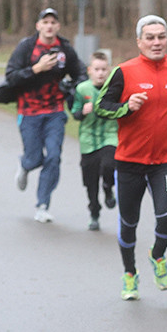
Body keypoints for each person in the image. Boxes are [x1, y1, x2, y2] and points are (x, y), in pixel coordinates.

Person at [95, 15, 167, 301]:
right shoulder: (123, 72)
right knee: (129, 222)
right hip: (129, 162)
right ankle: (130, 274)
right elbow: (102, 107)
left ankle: (157, 255)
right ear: (139, 41)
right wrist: (126, 107)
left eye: (161, 36)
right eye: (150, 37)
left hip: (165, 159)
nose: (156, 42)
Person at [5, 7, 86, 223]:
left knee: (54, 157)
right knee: (35, 157)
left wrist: (71, 85)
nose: (49, 26)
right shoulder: (27, 47)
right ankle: (26, 164)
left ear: (58, 26)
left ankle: (42, 204)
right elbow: (11, 76)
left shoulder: (65, 49)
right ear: (38, 25)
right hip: (28, 111)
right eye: (45, 22)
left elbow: (81, 74)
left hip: (55, 112)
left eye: (53, 22)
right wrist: (36, 69)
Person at [70, 51, 117, 231]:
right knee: (90, 183)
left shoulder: (115, 88)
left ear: (109, 70)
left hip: (110, 136)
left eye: (104, 69)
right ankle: (94, 212)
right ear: (90, 70)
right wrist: (82, 111)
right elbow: (74, 113)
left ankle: (108, 188)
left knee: (108, 165)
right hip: (88, 140)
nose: (100, 73)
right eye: (97, 69)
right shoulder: (82, 89)